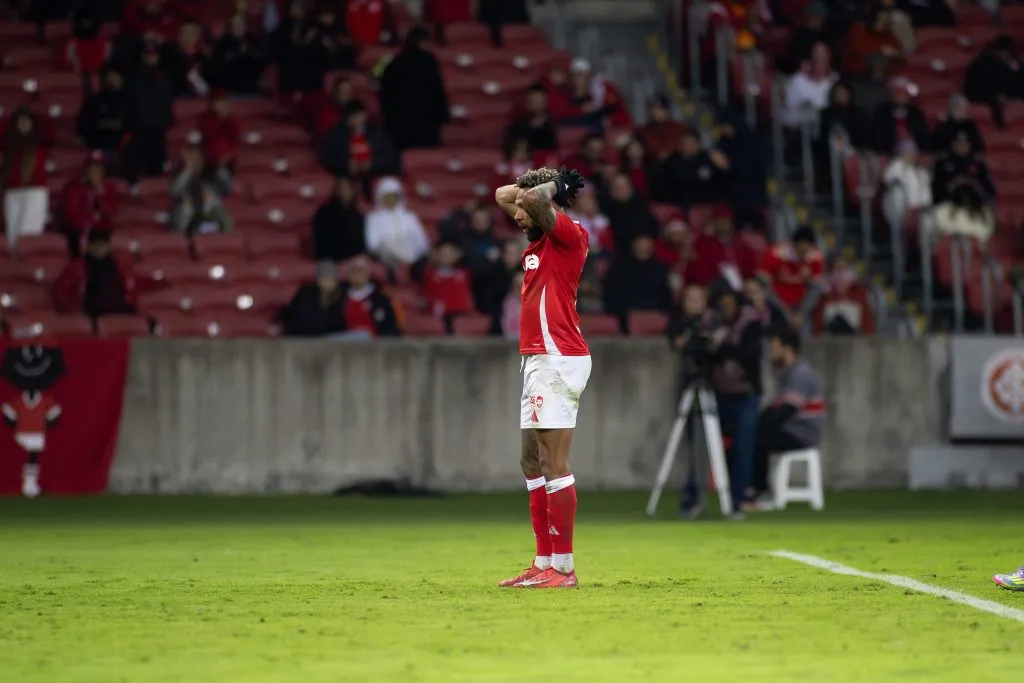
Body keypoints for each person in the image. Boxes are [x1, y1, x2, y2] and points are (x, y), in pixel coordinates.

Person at [493, 166, 589, 588]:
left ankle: (563, 569)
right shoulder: (539, 237)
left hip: (558, 356)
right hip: (537, 359)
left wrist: (553, 189)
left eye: (524, 207)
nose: (516, 213)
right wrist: (536, 186)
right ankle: (543, 561)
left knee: (553, 462)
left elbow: (532, 200)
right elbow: (504, 195)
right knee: (531, 461)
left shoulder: (570, 235)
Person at [751, 327, 825, 502]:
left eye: (774, 348)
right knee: (752, 433)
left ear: (787, 349)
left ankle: (761, 491)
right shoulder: (786, 374)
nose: (771, 354)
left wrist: (761, 423)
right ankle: (755, 487)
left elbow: (788, 410)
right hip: (794, 428)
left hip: (802, 432)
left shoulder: (800, 374)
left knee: (758, 440)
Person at [710, 288, 763, 517]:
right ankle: (698, 499)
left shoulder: (750, 325)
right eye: (724, 305)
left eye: (731, 305)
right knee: (711, 447)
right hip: (718, 394)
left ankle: (738, 499)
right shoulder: (713, 324)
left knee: (743, 448)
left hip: (745, 395)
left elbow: (749, 354)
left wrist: (723, 348)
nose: (727, 309)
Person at [379, 27, 449, 151]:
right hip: (426, 125)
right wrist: (443, 116)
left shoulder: (393, 64)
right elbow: (437, 92)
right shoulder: (428, 62)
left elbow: (385, 96)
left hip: (399, 126)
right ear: (422, 42)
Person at [123, 42, 175, 190]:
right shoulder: (133, 76)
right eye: (147, 55)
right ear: (141, 57)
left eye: (153, 55)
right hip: (138, 132)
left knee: (156, 174)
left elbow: (167, 102)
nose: (150, 58)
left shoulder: (164, 76)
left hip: (158, 133)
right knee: (133, 172)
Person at [53, 228, 137, 317]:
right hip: (91, 312)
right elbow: (62, 289)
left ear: (108, 246)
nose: (99, 248)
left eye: (103, 245)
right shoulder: (78, 266)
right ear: (89, 246)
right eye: (96, 245)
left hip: (119, 309)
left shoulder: (118, 264)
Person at [602, 233, 673, 333]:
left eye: (647, 245)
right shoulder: (618, 268)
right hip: (625, 318)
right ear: (633, 245)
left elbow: (666, 296)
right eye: (640, 245)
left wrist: (657, 312)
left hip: (655, 315)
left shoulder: (659, 268)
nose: (644, 249)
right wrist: (627, 313)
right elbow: (611, 296)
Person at [757, 226, 824, 330]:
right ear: (795, 244)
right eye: (802, 248)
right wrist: (783, 309)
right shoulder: (775, 254)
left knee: (803, 328)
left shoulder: (815, 258)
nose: (805, 251)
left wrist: (801, 312)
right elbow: (763, 285)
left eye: (809, 247)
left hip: (799, 307)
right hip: (774, 304)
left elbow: (815, 290)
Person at [1, 107, 48, 249]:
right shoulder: (9, 146)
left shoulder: (38, 145)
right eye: (20, 121)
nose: (23, 125)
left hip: (34, 192)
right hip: (12, 192)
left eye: (27, 121)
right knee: (12, 238)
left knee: (28, 237)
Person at [320, 100, 399, 182]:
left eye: (357, 116)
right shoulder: (336, 135)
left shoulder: (378, 133)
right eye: (351, 117)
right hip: (347, 176)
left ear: (365, 115)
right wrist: (346, 165)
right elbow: (327, 157)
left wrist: (372, 164)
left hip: (376, 174)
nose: (355, 120)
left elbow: (390, 154)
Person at [58, 151, 119, 256]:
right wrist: (91, 218)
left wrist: (99, 192)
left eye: (99, 169)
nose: (96, 172)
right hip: (78, 229)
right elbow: (70, 215)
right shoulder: (73, 186)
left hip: (101, 231)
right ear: (86, 169)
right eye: (93, 168)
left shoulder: (108, 187)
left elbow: (111, 211)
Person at [364, 176, 430, 271]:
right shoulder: (373, 218)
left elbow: (421, 240)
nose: (390, 200)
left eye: (393, 196)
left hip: (413, 256)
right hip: (387, 257)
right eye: (387, 197)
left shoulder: (409, 216)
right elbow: (373, 243)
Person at [653, 129, 730, 208]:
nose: (687, 147)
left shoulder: (709, 159)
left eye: (691, 143)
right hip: (679, 205)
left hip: (707, 204)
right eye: (684, 143)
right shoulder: (671, 161)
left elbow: (722, 182)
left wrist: (724, 168)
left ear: (698, 144)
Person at [964, 35, 1024, 127]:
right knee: (996, 101)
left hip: (1004, 92)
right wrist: (998, 95)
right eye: (1004, 52)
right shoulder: (983, 62)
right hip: (981, 93)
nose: (1006, 55)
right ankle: (1000, 127)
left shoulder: (1013, 61)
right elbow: (982, 84)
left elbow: (1016, 77)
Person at [811, 256, 877, 335]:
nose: (841, 272)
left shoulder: (860, 292)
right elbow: (818, 323)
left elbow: (867, 322)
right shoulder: (825, 294)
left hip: (856, 337)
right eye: (837, 268)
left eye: (845, 268)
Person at [278, 261, 347, 337]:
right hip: (305, 335)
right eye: (324, 278)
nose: (327, 282)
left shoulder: (342, 294)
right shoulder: (307, 293)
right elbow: (297, 315)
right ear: (318, 280)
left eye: (330, 279)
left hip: (333, 336)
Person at [931, 129, 996, 205]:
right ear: (952, 144)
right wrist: (953, 185)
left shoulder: (978, 164)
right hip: (949, 205)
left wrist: (974, 184)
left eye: (964, 143)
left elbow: (990, 191)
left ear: (970, 145)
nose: (961, 146)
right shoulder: (942, 163)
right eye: (958, 143)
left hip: (975, 205)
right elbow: (936, 191)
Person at [599, 173, 660, 253]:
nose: (621, 191)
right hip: (620, 252)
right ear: (611, 191)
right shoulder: (605, 210)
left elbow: (653, 228)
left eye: (624, 187)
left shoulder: (641, 205)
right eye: (618, 188)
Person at [76, 66, 128, 160]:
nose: (113, 81)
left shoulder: (130, 102)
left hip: (120, 149)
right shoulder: (94, 100)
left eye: (116, 78)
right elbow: (83, 126)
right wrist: (103, 124)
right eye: (111, 78)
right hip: (96, 147)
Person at [781, 43, 838, 129]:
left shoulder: (835, 80)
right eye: (817, 57)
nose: (820, 61)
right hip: (799, 126)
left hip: (826, 127)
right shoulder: (798, 79)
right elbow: (788, 105)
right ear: (811, 59)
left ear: (829, 59)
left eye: (823, 58)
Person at [881, 139, 932, 235]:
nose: (910, 156)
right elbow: (887, 179)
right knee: (897, 191)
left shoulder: (919, 170)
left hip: (919, 211)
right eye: (907, 152)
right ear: (900, 153)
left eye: (913, 153)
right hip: (901, 211)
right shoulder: (895, 167)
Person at [870, 76, 930, 154]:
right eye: (897, 94)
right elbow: (877, 136)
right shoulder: (882, 113)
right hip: (889, 153)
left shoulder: (915, 113)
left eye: (904, 94)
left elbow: (923, 136)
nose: (901, 97)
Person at [210, 14, 267, 95]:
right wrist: (237, 53)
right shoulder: (223, 45)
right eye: (235, 25)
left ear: (245, 26)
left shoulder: (253, 42)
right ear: (230, 28)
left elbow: (261, 62)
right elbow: (220, 67)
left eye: (241, 24)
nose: (239, 28)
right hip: (230, 92)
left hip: (252, 90)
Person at [312, 176, 366, 262]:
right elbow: (322, 246)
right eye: (343, 187)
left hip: (353, 260)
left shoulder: (358, 216)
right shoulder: (324, 213)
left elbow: (361, 245)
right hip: (329, 259)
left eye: (349, 188)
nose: (346, 191)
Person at [422, 240, 476, 322]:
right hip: (438, 313)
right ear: (436, 255)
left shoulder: (464, 274)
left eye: (450, 253)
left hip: (460, 312)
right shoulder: (430, 274)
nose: (447, 256)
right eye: (443, 253)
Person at [504, 84, 558, 152]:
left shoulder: (555, 122)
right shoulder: (517, 125)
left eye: (538, 100)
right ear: (526, 102)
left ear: (545, 101)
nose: (535, 103)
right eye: (532, 100)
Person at [197, 90, 241, 171]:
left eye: (224, 102)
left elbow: (235, 139)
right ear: (212, 104)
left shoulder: (232, 119)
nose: (222, 105)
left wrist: (229, 154)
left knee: (223, 172)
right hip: (209, 156)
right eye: (219, 102)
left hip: (227, 158)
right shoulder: (204, 117)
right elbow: (208, 133)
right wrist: (220, 118)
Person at [636, 94, 688, 161]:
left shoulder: (680, 128)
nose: (657, 112)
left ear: (667, 110)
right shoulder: (642, 131)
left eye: (661, 108)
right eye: (654, 108)